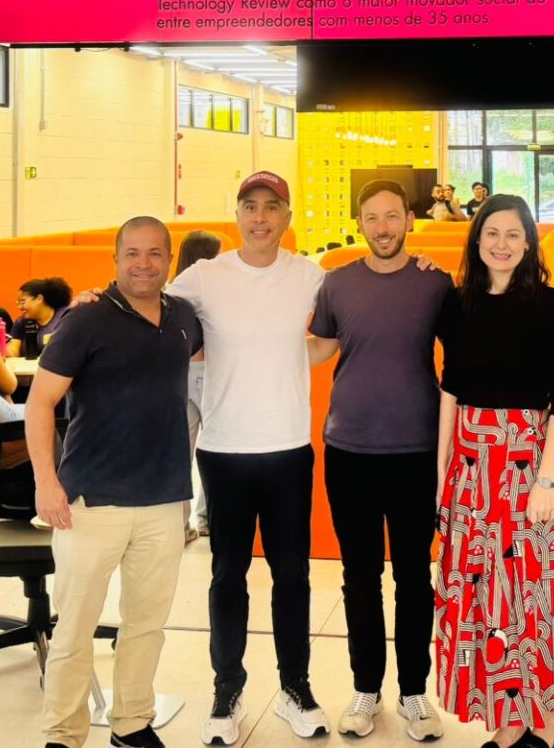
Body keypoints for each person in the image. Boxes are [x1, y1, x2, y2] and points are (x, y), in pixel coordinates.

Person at [26, 216, 203, 748]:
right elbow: (40, 402)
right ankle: (63, 733)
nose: (143, 263)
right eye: (132, 253)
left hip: (164, 499)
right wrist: (45, 482)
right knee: (75, 628)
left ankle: (131, 723)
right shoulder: (85, 322)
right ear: (115, 259)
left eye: (154, 253)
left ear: (169, 260)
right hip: (90, 500)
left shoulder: (184, 318)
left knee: (146, 624)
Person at [168, 171, 331, 744]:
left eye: (272, 207)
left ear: (287, 216)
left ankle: (295, 689)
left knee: (293, 576)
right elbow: (148, 308)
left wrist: (297, 353)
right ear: (237, 216)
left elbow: (336, 330)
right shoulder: (206, 277)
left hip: (288, 448)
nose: (260, 217)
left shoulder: (310, 275)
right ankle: (226, 691)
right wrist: (96, 297)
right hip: (225, 451)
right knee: (226, 577)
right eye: (249, 206)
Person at [435, 194, 554, 748]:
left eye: (513, 234)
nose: (502, 243)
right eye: (492, 232)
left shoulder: (547, 305)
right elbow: (451, 388)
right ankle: (508, 722)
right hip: (470, 469)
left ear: (528, 244)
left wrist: (547, 478)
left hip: (527, 465)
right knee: (481, 597)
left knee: (535, 596)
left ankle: (543, 723)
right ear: (477, 239)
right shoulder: (457, 304)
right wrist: (442, 477)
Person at [306, 180, 449, 741]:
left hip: (417, 451)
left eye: (393, 216)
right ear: (360, 223)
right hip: (350, 452)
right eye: (372, 218)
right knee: (359, 576)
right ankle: (366, 689)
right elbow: (317, 347)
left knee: (415, 576)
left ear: (410, 220)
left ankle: (414, 693)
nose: (384, 227)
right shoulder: (336, 283)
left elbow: (471, 347)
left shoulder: (435, 282)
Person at [175, 231, 223, 544]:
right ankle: (209, 519)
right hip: (209, 372)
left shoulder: (174, 290)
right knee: (216, 449)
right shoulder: (212, 289)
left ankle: (180, 525)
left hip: (177, 375)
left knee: (182, 452)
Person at [13, 277, 73, 358]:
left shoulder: (66, 317)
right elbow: (13, 350)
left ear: (39, 299)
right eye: (18, 302)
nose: (19, 307)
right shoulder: (21, 323)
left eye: (22, 301)